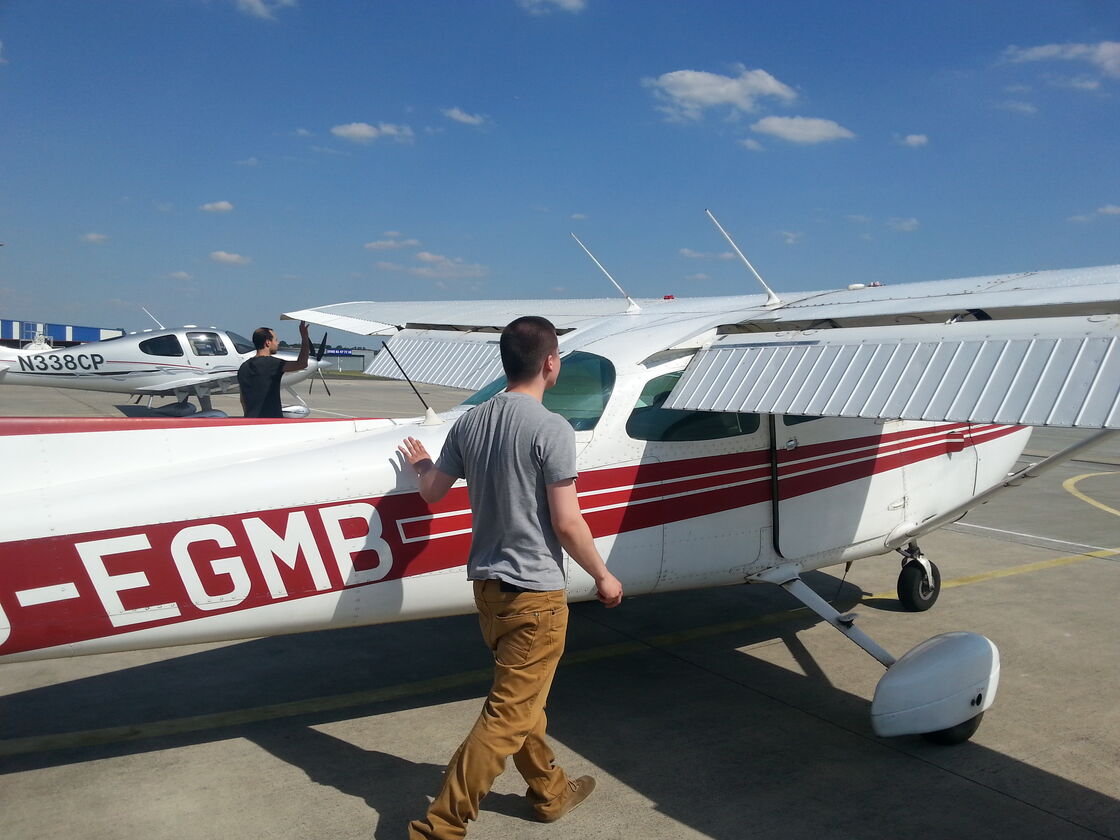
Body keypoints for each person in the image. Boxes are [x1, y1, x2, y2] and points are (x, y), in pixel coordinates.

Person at [399, 315, 623, 840]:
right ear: (550, 364)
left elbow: (432, 491)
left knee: (520, 700)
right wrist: (604, 576)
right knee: (506, 715)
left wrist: (421, 463)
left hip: (489, 595)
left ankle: (549, 791)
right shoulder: (552, 429)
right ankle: (439, 827)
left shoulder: (470, 422)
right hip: (535, 595)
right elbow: (567, 522)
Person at [237, 321, 310, 418]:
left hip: (250, 422)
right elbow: (302, 364)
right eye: (276, 340)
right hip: (270, 423)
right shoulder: (273, 364)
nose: (278, 342)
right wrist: (305, 337)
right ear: (268, 342)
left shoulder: (243, 367)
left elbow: (242, 400)